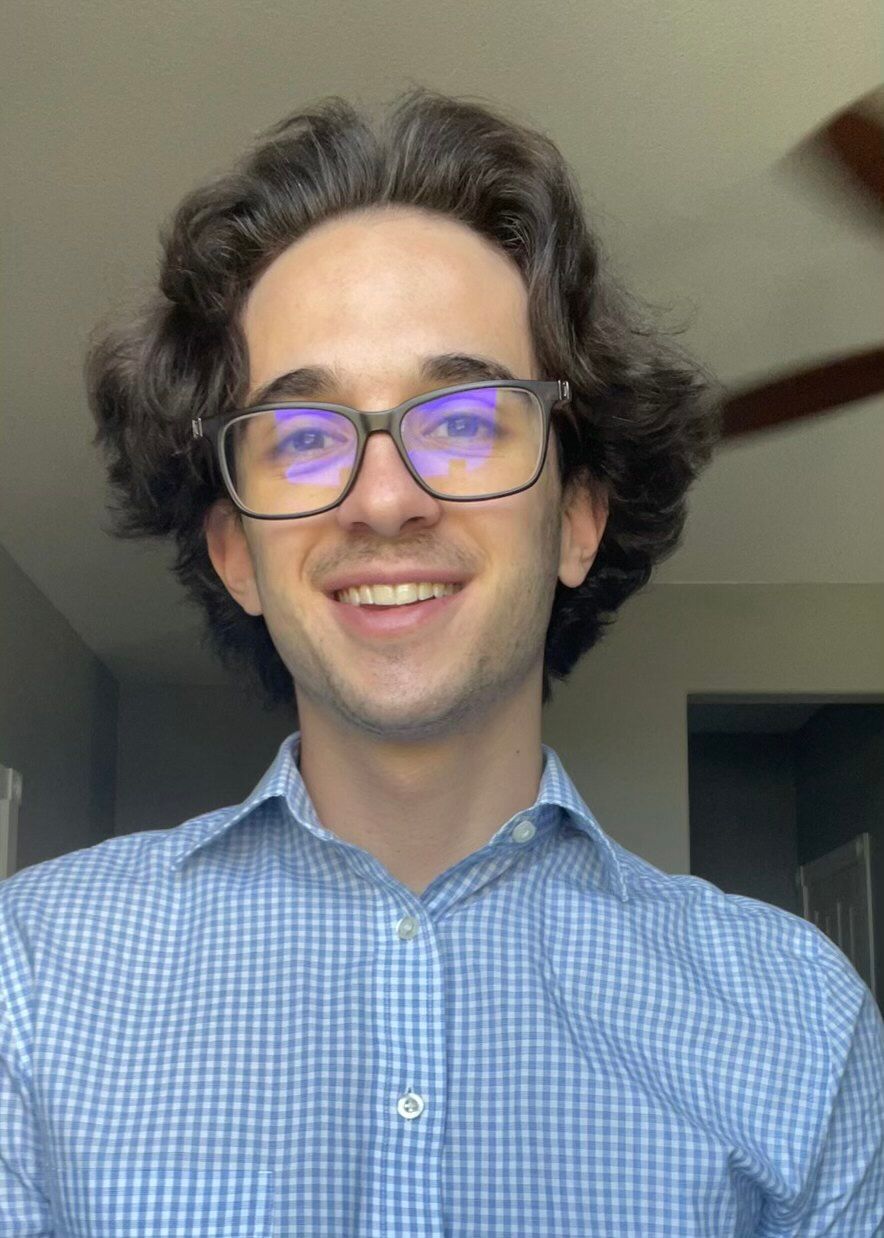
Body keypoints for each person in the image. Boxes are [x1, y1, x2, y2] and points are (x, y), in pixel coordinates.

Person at [1, 88, 881, 1237]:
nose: (384, 498)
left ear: (576, 520)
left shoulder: (799, 1020)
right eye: (302, 435)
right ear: (234, 553)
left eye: (462, 418)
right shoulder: (30, 977)